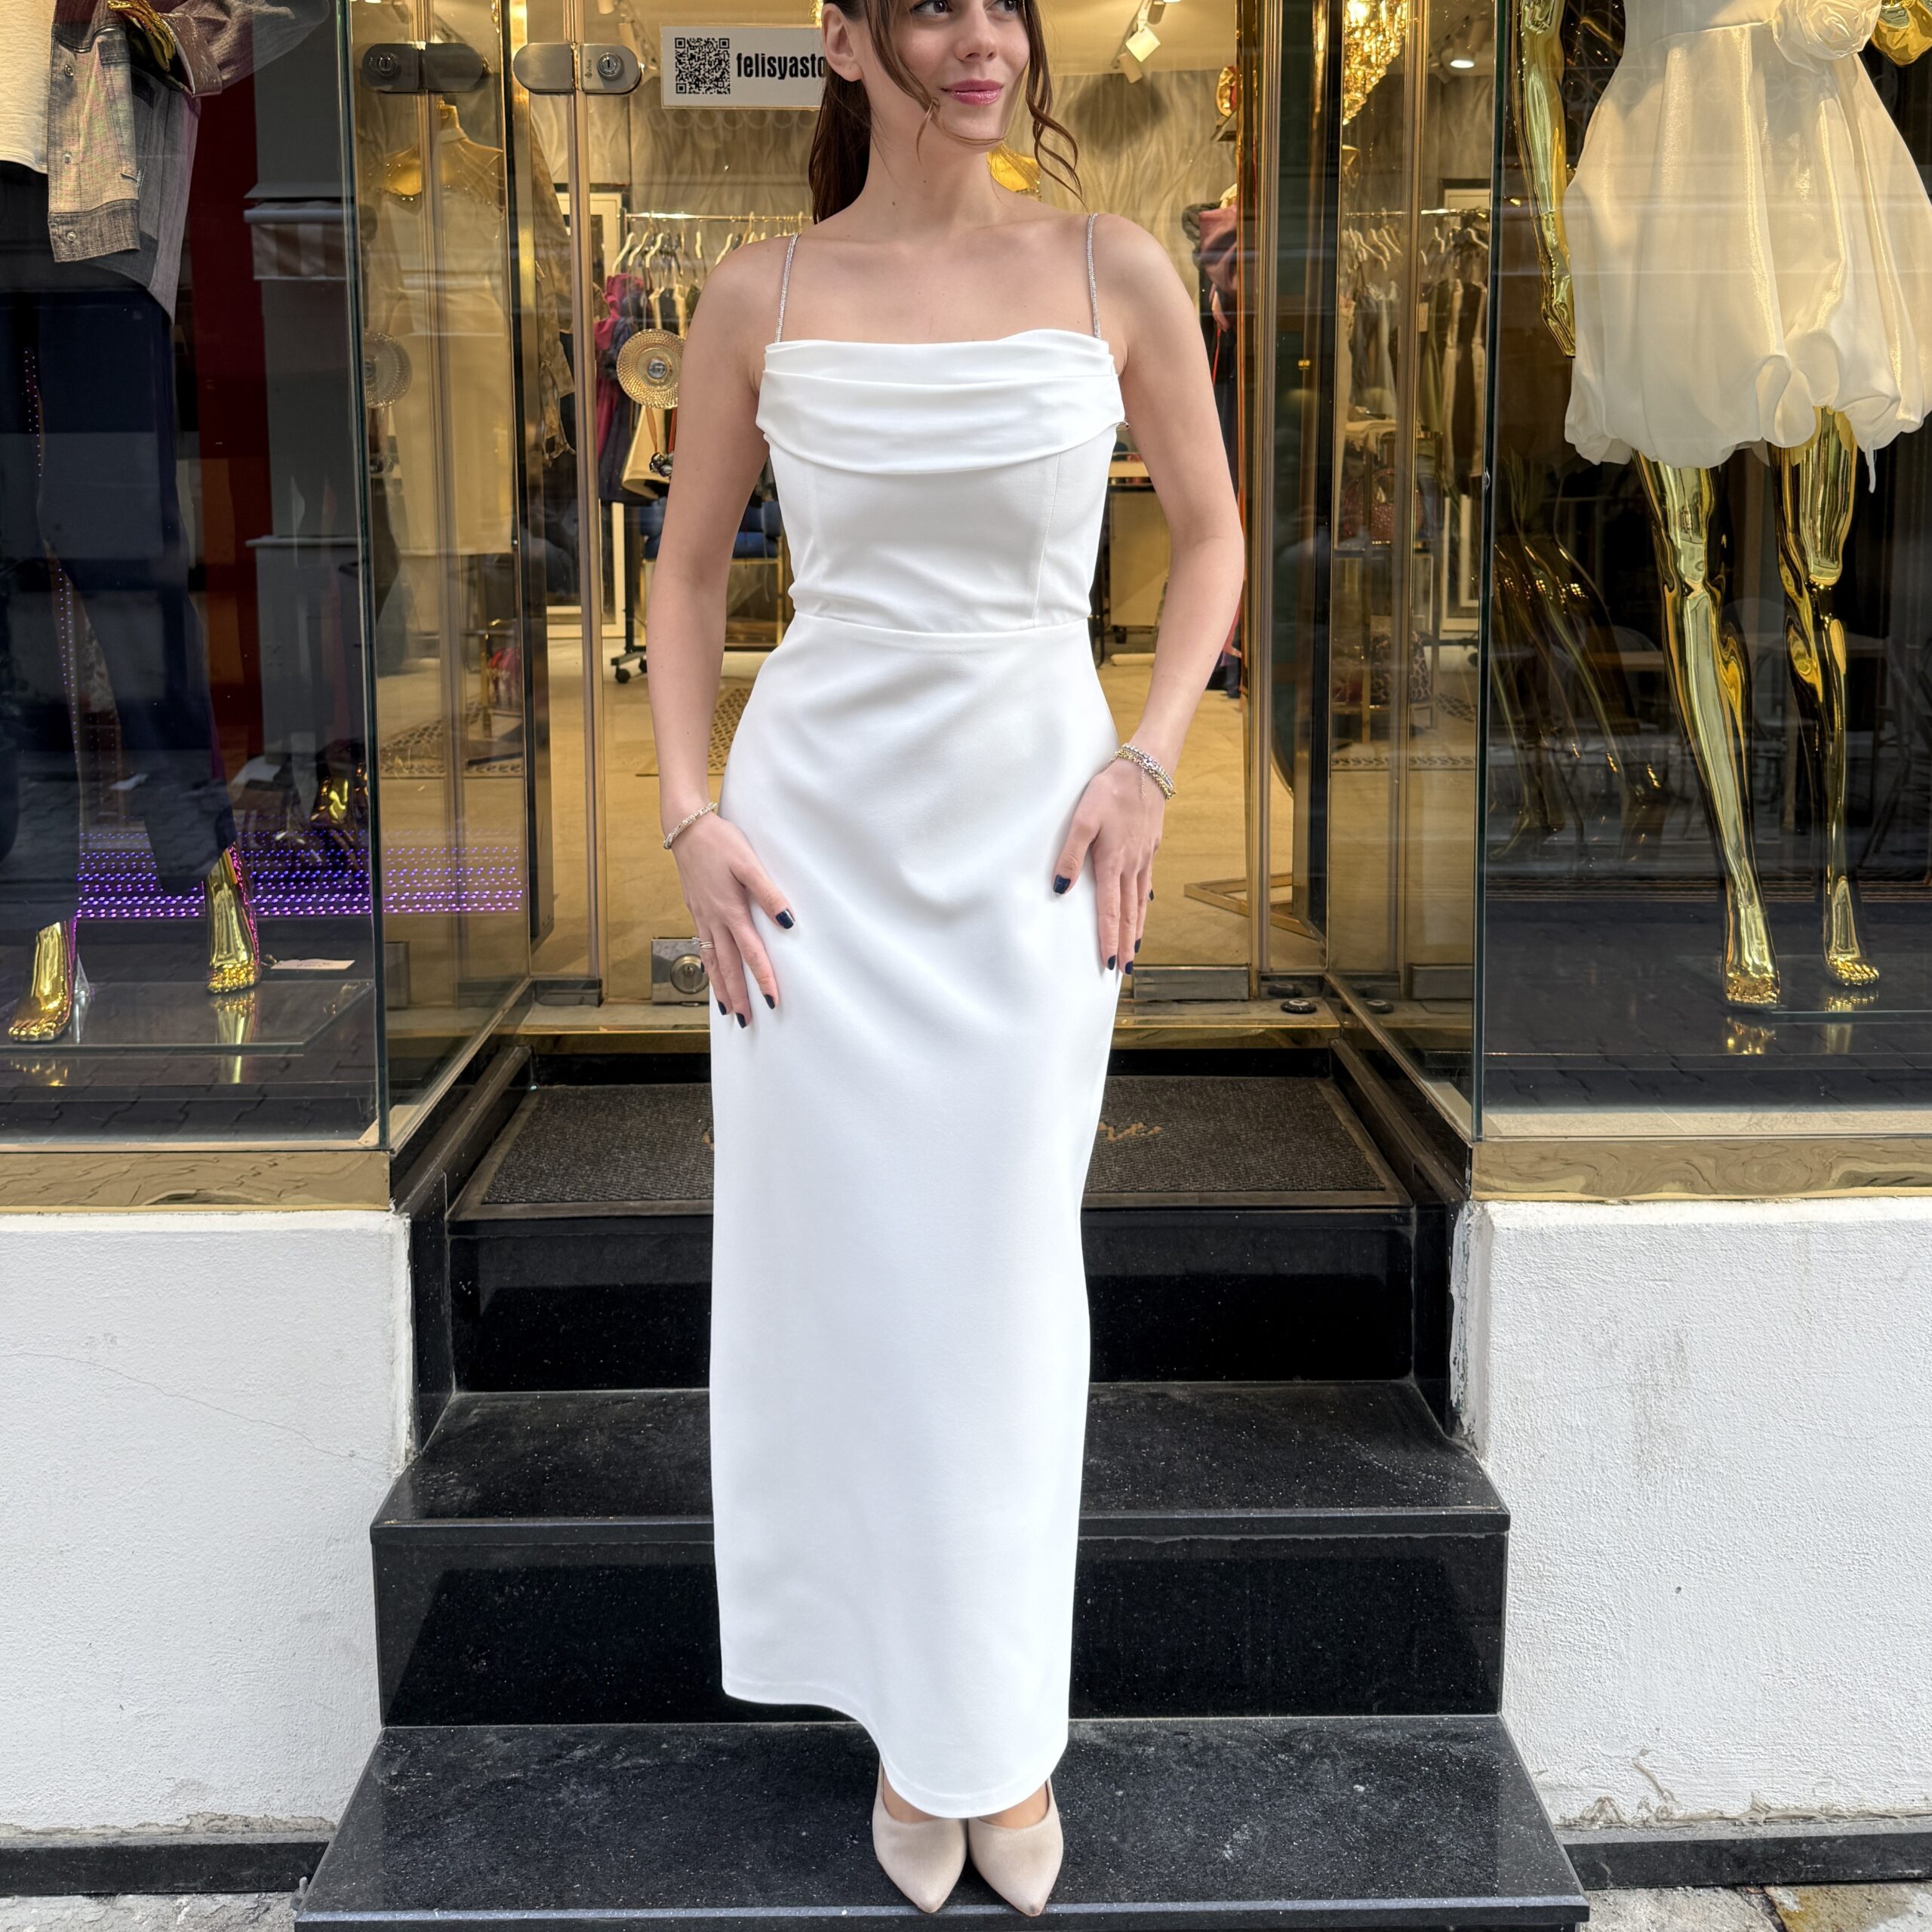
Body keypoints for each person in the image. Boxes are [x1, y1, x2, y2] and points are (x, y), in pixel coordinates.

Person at [645, 0, 1244, 1912]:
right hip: (812, 843)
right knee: (848, 1284)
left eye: (1003, 4)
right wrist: (686, 814)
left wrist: (1149, 760)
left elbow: (1213, 541)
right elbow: (684, 568)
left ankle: (998, 1723)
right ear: (844, 41)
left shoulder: (1112, 267)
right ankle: (914, 1721)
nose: (981, 38)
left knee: (998, 1284)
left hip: (1028, 840)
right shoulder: (757, 293)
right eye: (932, 5)